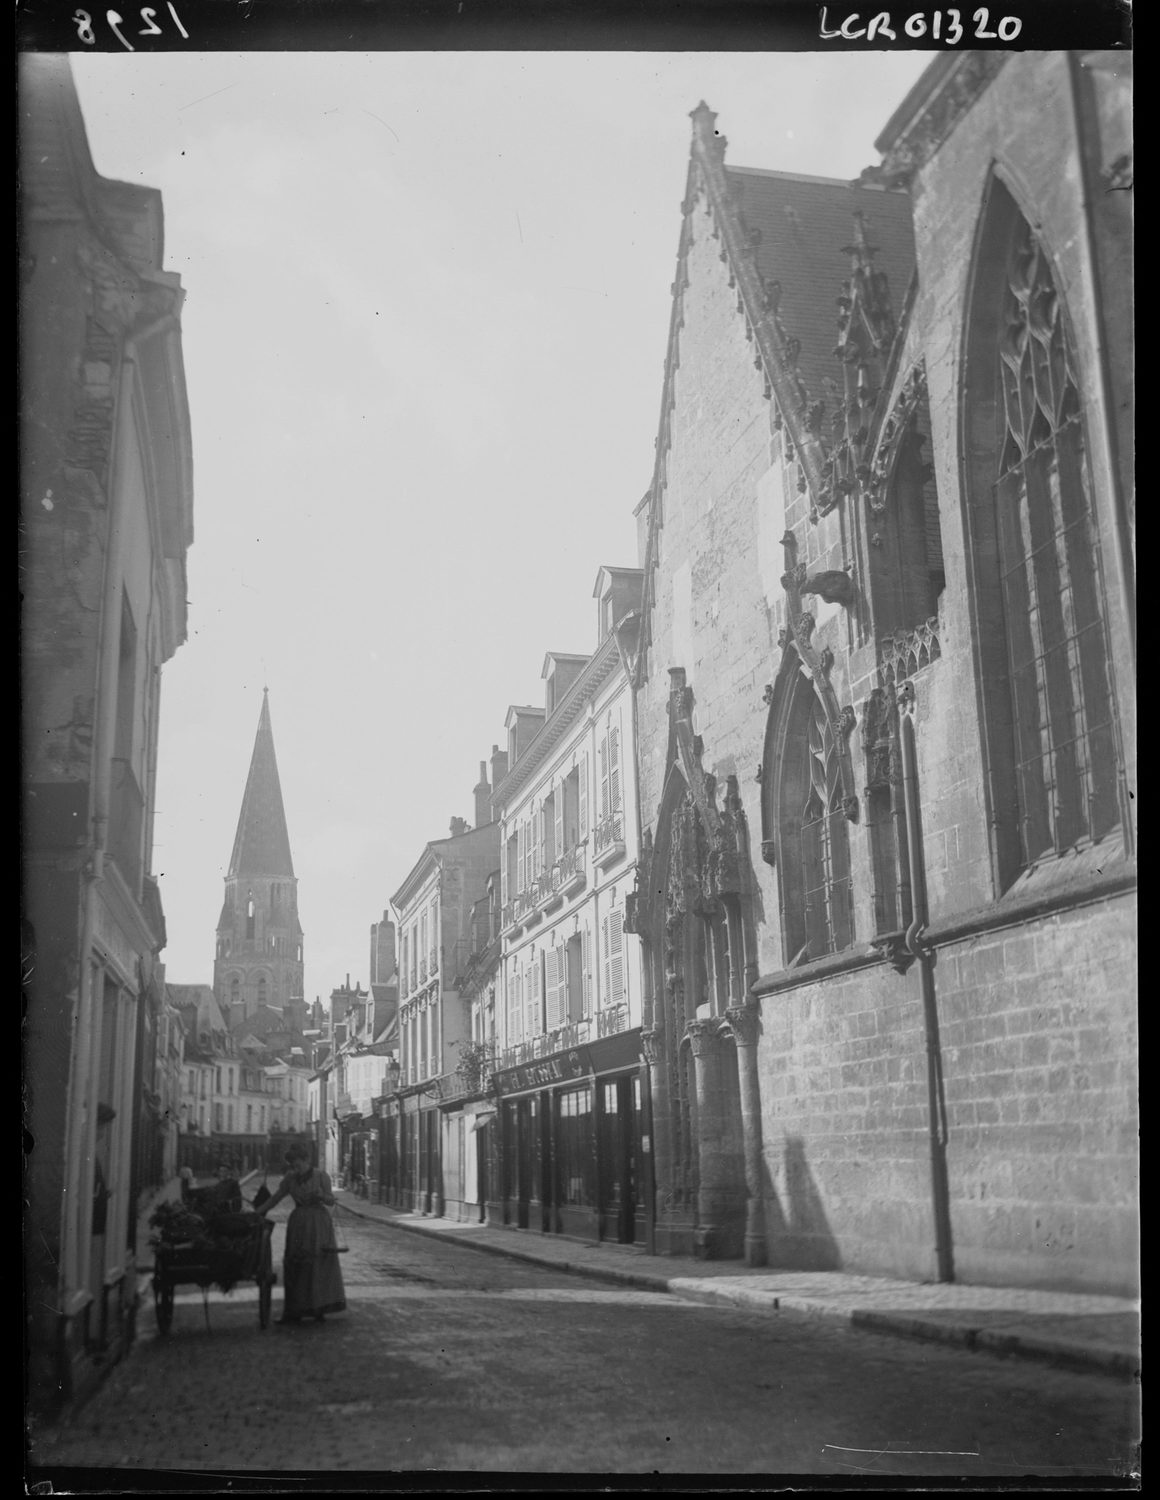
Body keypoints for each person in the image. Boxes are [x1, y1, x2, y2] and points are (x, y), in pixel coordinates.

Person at [255, 1145, 346, 1324]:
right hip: (298, 1223)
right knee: (295, 1263)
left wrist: (325, 1197)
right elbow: (276, 1198)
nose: (295, 1168)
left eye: (297, 1164)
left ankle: (318, 1308)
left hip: (319, 1223)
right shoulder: (290, 1178)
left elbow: (329, 1201)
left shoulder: (321, 1176)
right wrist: (259, 1211)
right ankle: (293, 1311)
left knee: (317, 1263)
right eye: (292, 1165)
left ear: (306, 1161)